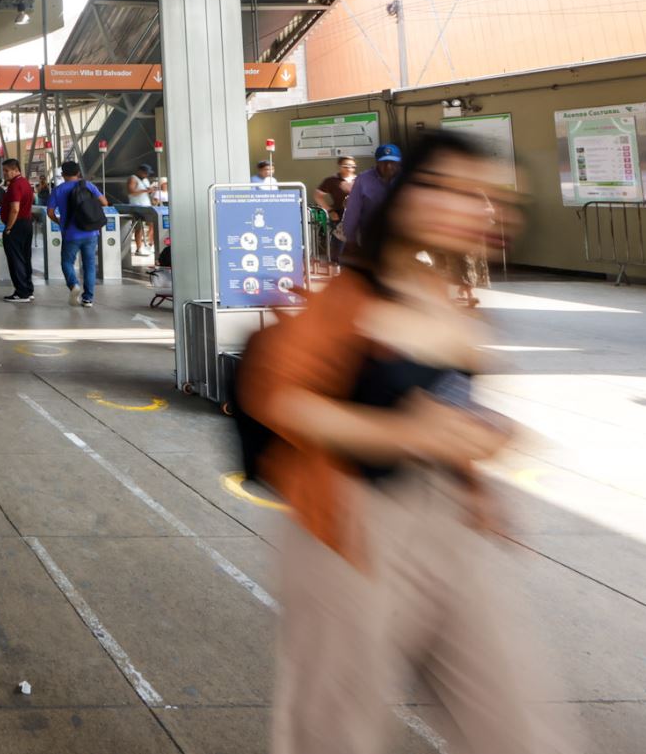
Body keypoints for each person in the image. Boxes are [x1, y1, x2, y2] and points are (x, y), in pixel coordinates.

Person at [239, 132, 562, 754]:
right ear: (407, 196)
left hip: (453, 528)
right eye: (452, 190)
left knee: (513, 714)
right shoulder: (348, 299)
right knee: (334, 723)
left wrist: (484, 442)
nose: (478, 210)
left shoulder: (451, 298)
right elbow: (273, 394)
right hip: (350, 530)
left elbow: (457, 407)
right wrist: (403, 432)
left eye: (489, 197)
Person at [48, 160, 107, 308]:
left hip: (70, 233)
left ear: (62, 175)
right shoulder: (88, 185)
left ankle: (73, 284)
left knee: (67, 262)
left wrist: (59, 222)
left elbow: (50, 212)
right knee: (89, 266)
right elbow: (105, 202)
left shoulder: (58, 190)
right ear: (78, 173)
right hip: (90, 231)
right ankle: (88, 299)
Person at [342, 144, 402, 255]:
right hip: (372, 238)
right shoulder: (363, 180)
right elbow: (353, 211)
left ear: (399, 163)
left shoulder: (407, 178)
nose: (388, 166)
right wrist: (351, 239)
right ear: (377, 162)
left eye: (392, 162)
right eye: (384, 162)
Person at [0, 158, 36, 303]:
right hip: (26, 223)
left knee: (16, 259)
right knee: (25, 258)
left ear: (15, 170)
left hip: (17, 225)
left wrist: (8, 227)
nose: (5, 174)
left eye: (7, 171)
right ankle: (28, 289)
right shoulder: (25, 183)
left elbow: (14, 209)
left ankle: (21, 292)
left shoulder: (15, 186)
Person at [316, 155, 359, 261]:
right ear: (339, 166)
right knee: (338, 247)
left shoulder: (360, 179)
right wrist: (329, 210)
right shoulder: (331, 180)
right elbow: (318, 196)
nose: (349, 168)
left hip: (358, 217)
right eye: (346, 166)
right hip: (339, 217)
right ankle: (336, 268)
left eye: (352, 166)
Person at [124, 162, 160, 253]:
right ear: (139, 171)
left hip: (146, 205)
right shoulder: (133, 178)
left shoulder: (145, 180)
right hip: (136, 206)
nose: (146, 174)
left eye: (147, 173)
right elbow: (131, 192)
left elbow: (146, 192)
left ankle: (151, 244)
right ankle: (139, 247)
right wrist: (145, 190)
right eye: (145, 172)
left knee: (152, 225)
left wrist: (151, 190)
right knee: (138, 227)